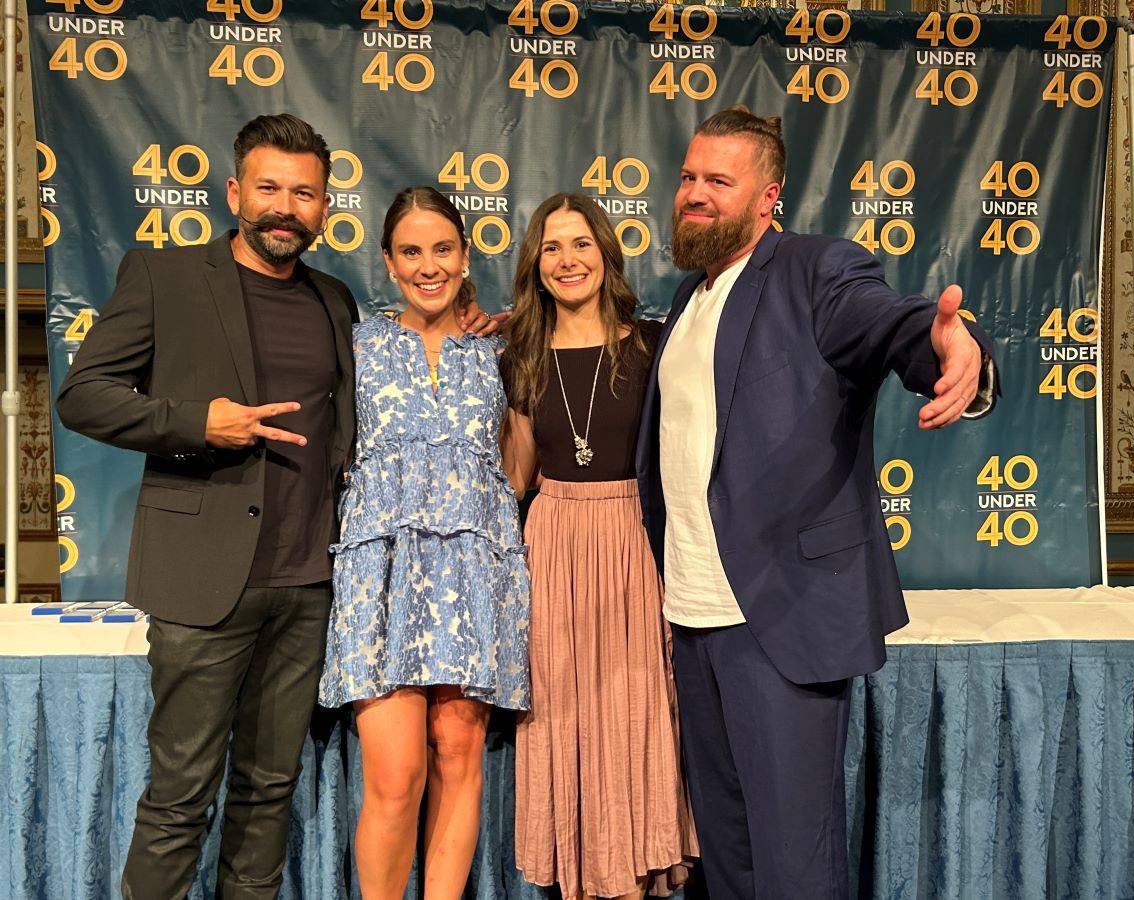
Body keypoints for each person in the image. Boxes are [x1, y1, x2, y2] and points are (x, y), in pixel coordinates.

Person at [55, 116, 497, 899]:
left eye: (304, 193)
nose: (285, 207)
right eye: (269, 188)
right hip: (202, 584)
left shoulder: (336, 304)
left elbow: (407, 391)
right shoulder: (164, 276)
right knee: (179, 799)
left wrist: (472, 327)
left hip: (308, 589)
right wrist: (196, 423)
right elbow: (83, 396)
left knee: (267, 796)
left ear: (325, 207)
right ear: (235, 192)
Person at [635, 106, 999, 898]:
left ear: (768, 197)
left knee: (795, 868)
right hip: (692, 618)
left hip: (779, 619)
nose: (694, 193)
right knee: (729, 862)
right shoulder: (686, 301)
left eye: (718, 182)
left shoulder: (817, 270)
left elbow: (889, 322)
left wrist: (947, 342)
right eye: (690, 177)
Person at [318, 186, 530, 900]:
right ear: (387, 261)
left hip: (476, 566)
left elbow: (519, 463)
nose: (429, 265)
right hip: (382, 569)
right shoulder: (358, 344)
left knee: (458, 751)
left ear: (466, 255)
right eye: (411, 251)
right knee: (394, 773)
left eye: (443, 249)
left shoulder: (499, 347)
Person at [501, 193, 696, 900]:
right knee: (560, 713)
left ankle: (634, 867)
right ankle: (580, 871)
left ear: (606, 254)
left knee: (636, 707)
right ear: (535, 264)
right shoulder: (519, 354)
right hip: (551, 542)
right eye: (551, 247)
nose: (567, 259)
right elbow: (518, 474)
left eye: (580, 243)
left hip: (632, 541)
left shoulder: (650, 345)